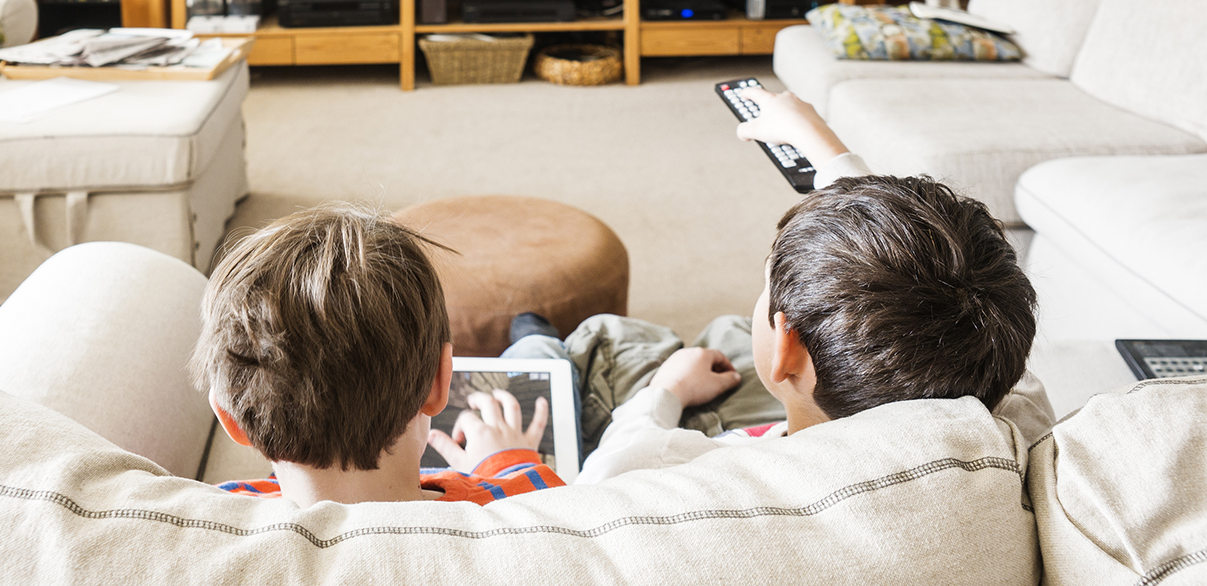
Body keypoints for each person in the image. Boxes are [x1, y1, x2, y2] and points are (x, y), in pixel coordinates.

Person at [506, 86, 1052, 484]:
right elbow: (933, 281)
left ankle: (536, 341)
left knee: (594, 345)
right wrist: (826, 149)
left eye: (766, 288)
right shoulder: (1012, 404)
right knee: (721, 332)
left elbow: (608, 472)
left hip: (672, 410)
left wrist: (665, 392)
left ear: (789, 347)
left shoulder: (679, 471)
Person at [189, 203, 565, 507]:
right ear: (439, 382)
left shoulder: (220, 511)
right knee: (580, 348)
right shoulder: (525, 499)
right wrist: (507, 460)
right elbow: (547, 504)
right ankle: (540, 341)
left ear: (231, 418)